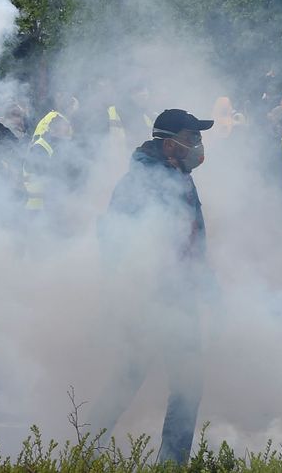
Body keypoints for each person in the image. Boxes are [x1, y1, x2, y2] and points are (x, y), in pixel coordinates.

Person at [91, 109, 214, 464]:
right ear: (169, 142)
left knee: (136, 377)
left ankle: (87, 446)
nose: (198, 145)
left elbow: (191, 238)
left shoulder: (181, 174)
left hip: (179, 296)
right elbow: (113, 241)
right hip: (152, 299)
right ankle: (170, 465)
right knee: (183, 383)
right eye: (192, 137)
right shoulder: (139, 182)